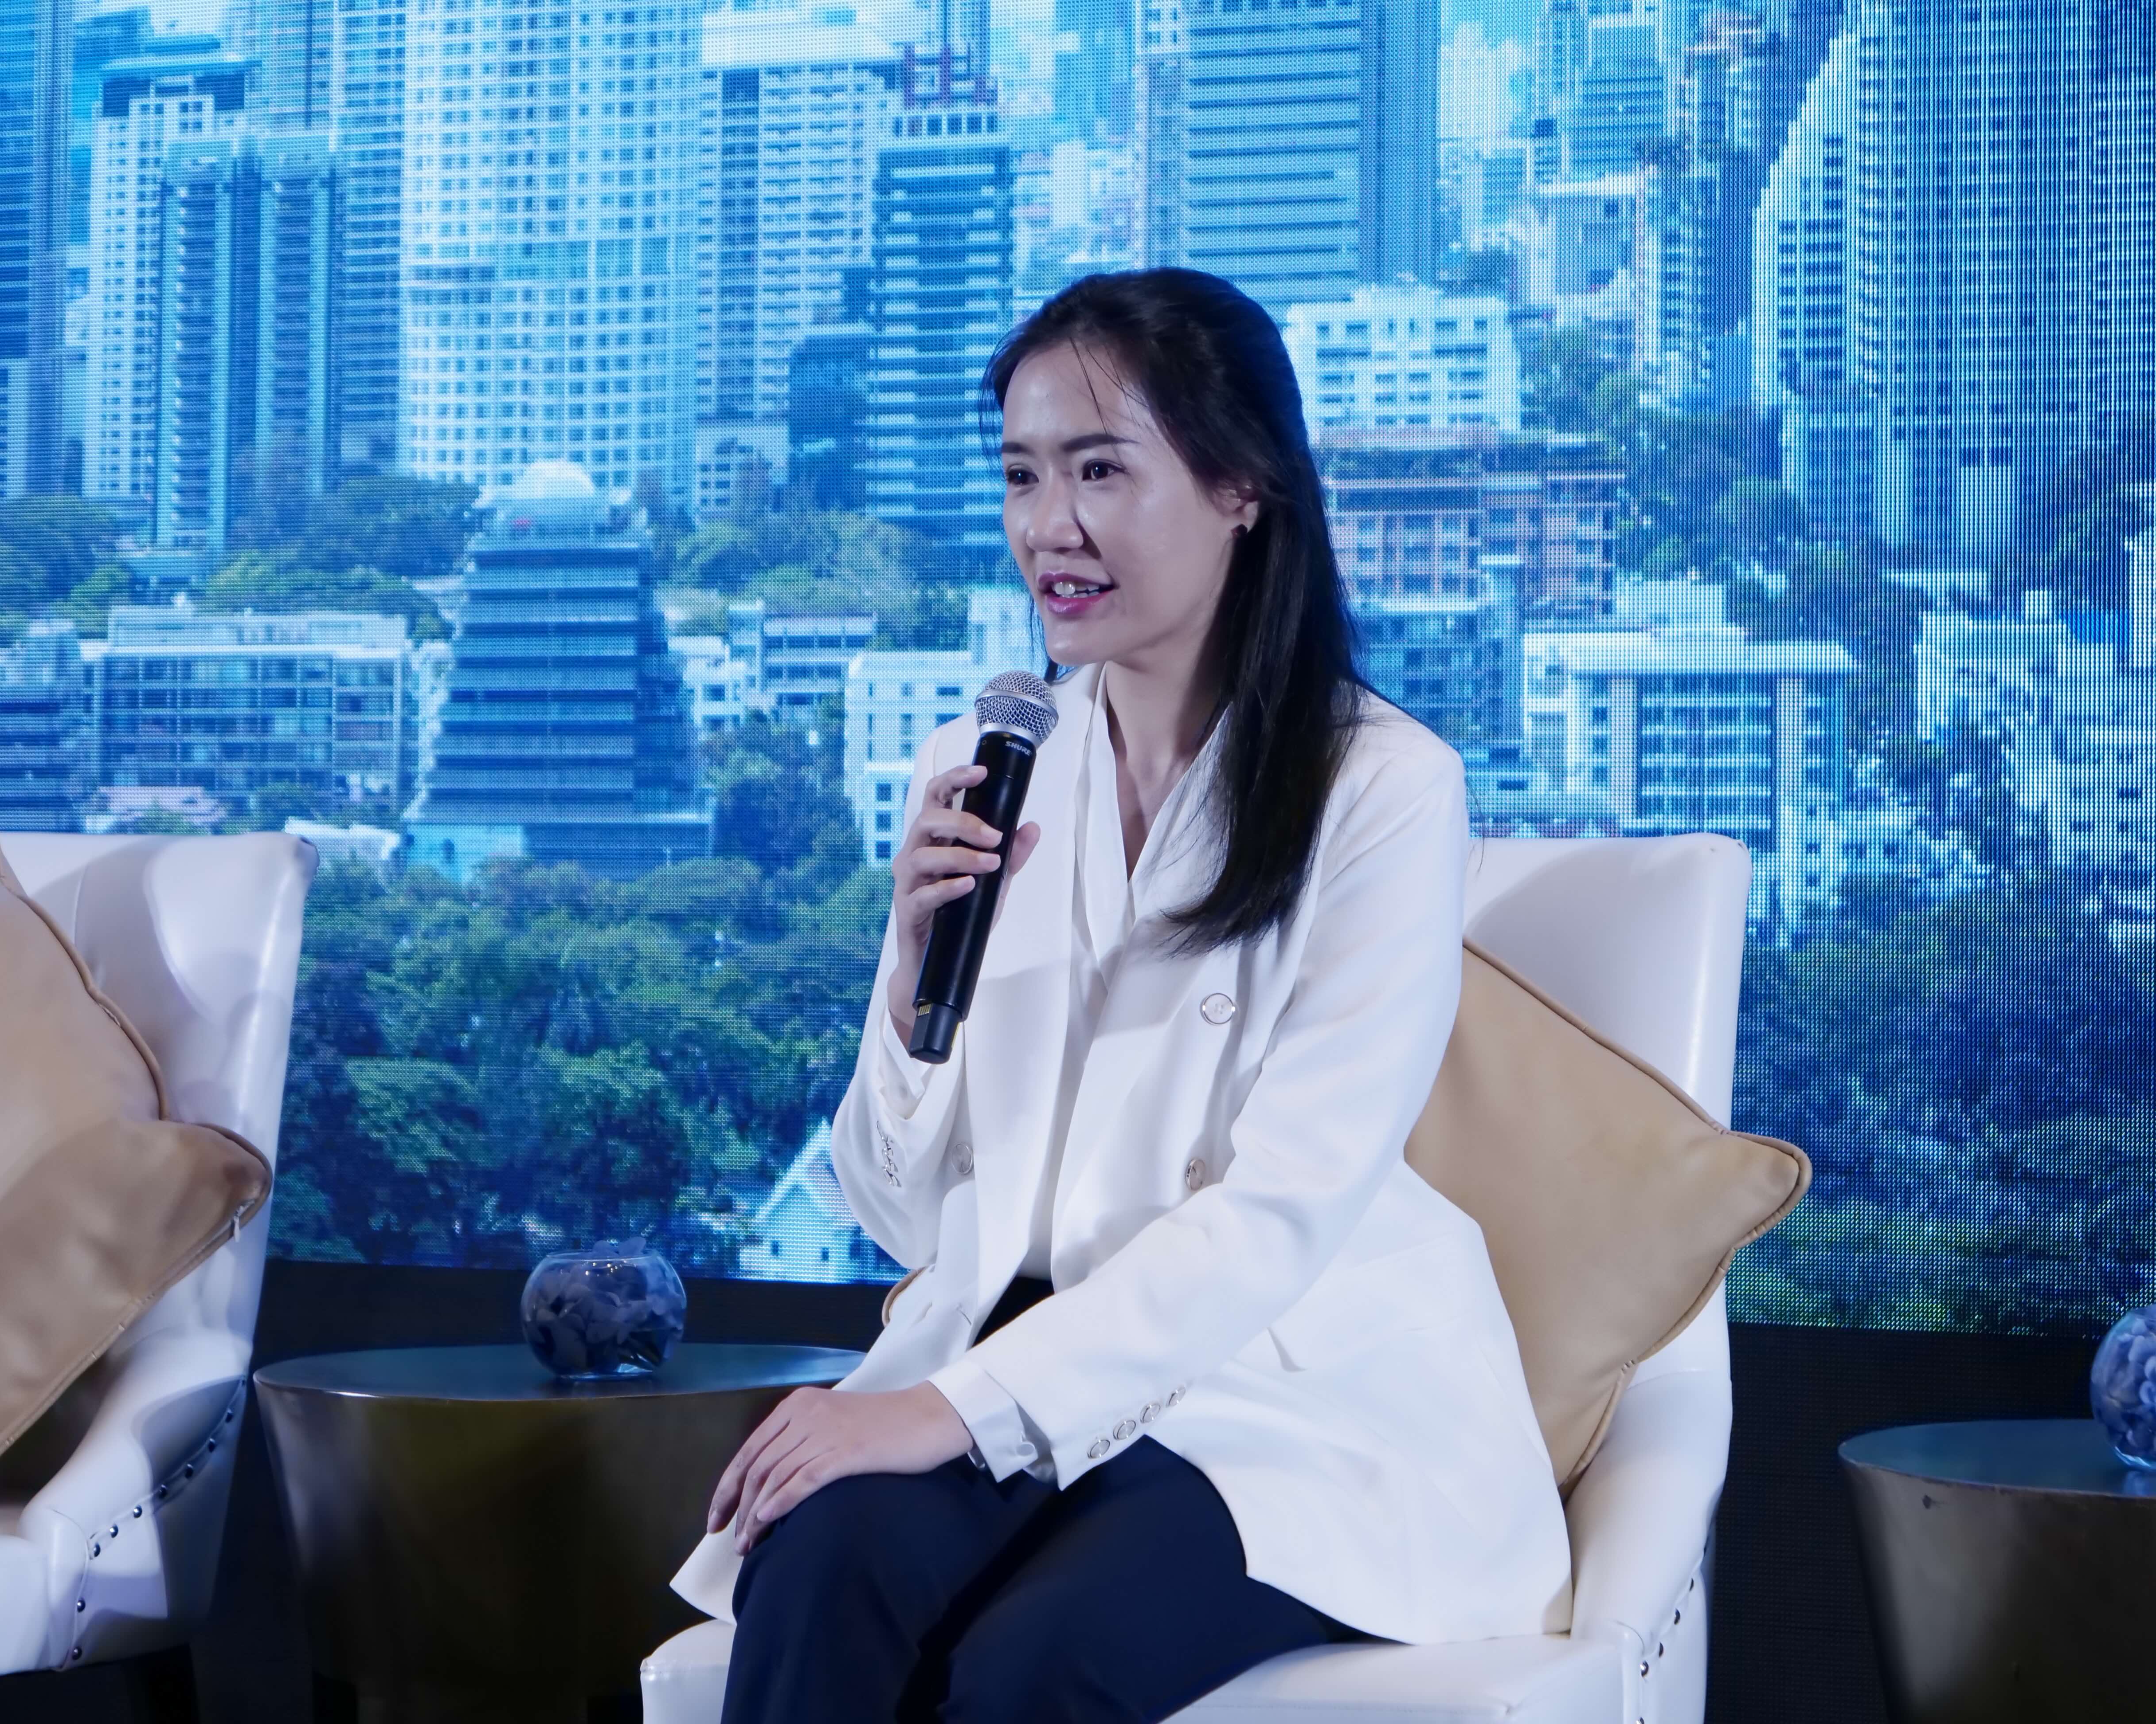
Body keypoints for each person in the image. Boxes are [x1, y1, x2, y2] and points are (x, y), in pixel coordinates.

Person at [669, 268, 1569, 1723]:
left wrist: (947, 1410)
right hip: (1017, 1343)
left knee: (1036, 1664)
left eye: (1100, 471)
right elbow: (904, 1214)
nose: (1050, 526)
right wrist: (909, 970)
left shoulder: (1385, 790)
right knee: (817, 1559)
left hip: (1279, 1386)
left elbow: (1282, 1211)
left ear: (1242, 488)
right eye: (1022, 475)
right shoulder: (984, 762)